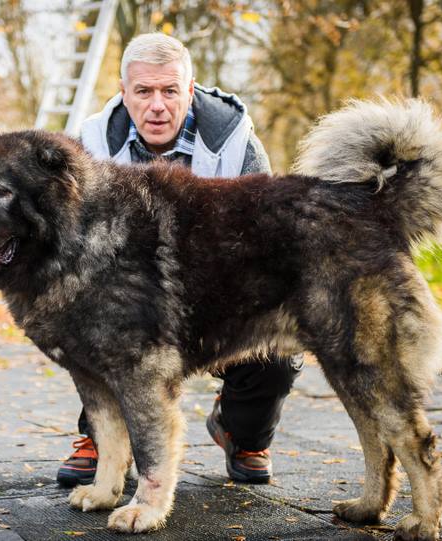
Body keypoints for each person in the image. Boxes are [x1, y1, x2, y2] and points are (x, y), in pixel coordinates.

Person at [56, 33, 303, 488]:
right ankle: (101, 436)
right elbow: (75, 248)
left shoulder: (237, 143)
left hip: (220, 301)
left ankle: (241, 433)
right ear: (123, 91)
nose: (157, 106)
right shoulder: (89, 146)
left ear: (189, 92)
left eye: (169, 91)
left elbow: (265, 241)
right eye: (144, 91)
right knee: (92, 326)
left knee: (280, 343)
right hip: (131, 304)